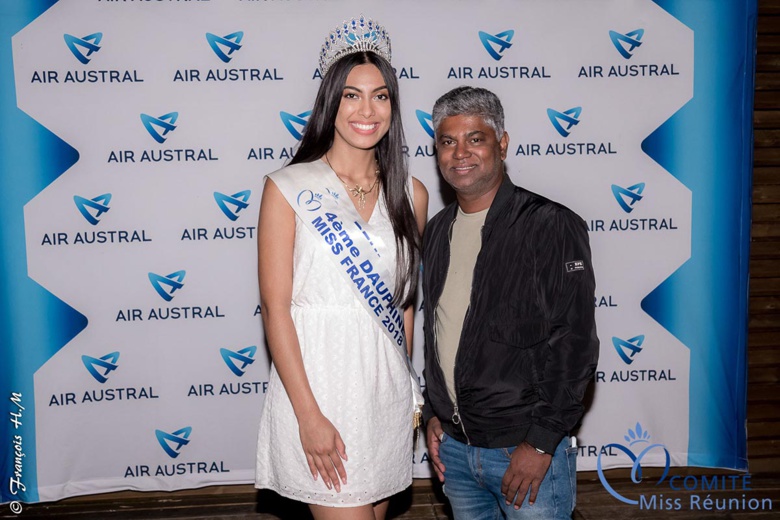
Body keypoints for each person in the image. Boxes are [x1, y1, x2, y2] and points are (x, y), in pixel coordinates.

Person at [254, 16, 428, 520]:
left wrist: (405, 393)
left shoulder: (411, 194)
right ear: (331, 103)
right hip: (319, 390)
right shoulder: (288, 188)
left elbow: (405, 303)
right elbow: (277, 309)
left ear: (393, 108)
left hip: (384, 397)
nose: (366, 110)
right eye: (351, 95)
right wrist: (308, 416)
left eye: (381, 96)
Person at [421, 86, 599, 520]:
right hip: (457, 454)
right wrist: (433, 413)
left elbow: (574, 344)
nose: (460, 153)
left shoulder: (550, 225)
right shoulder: (437, 230)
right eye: (448, 141)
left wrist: (541, 441)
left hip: (524, 452)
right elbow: (440, 332)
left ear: (502, 143)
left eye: (475, 138)